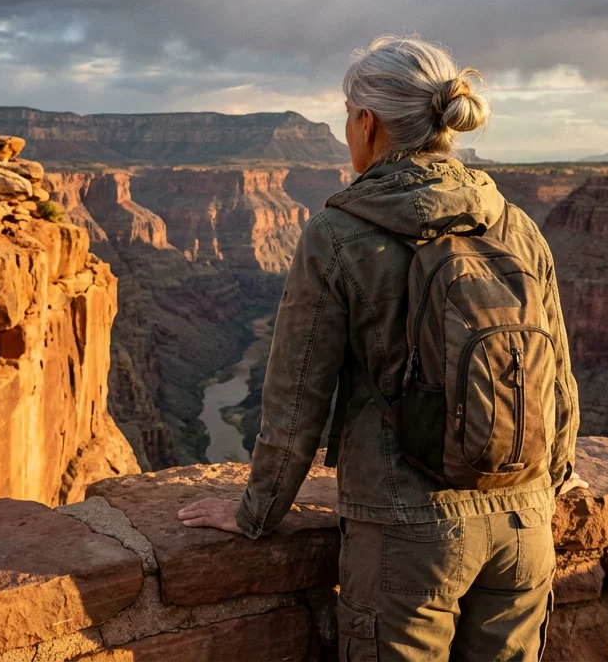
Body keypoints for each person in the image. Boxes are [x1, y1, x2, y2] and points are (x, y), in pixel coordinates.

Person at [178, 35, 582, 661]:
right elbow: (555, 376)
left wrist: (255, 513)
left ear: (367, 122)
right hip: (524, 525)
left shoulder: (340, 232)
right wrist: (547, 484)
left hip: (406, 532)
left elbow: (295, 398)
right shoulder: (514, 223)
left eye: (346, 114)